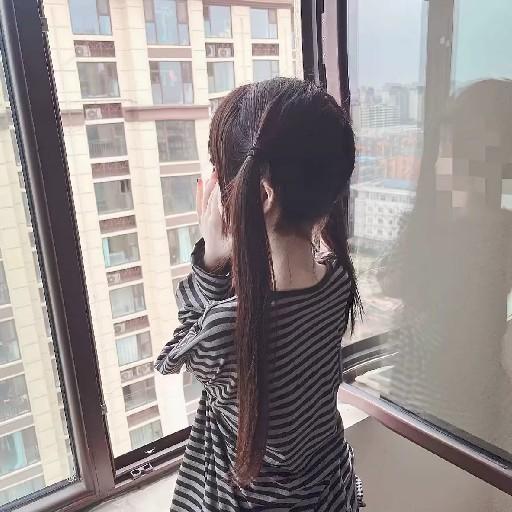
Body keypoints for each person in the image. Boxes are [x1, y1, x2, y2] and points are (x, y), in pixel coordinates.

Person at [155, 78, 363, 511]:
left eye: (221, 172)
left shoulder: (226, 330)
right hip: (331, 494)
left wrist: (212, 259)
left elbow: (172, 358)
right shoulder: (339, 282)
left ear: (263, 193)